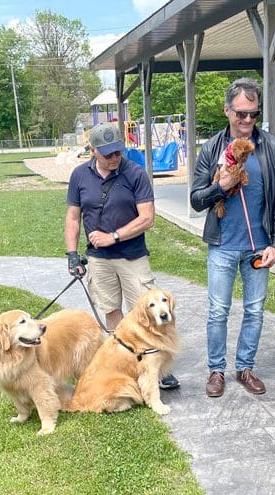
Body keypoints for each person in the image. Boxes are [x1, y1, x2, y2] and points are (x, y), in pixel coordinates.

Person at [190, 77, 275, 398]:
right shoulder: (211, 148)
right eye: (241, 114)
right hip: (223, 245)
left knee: (255, 310)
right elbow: (195, 199)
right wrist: (221, 186)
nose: (247, 120)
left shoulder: (271, 146)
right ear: (227, 111)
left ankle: (245, 367)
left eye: (253, 114)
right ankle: (216, 370)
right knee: (218, 310)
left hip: (259, 247)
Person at [65, 122, 179, 389]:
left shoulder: (136, 174)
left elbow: (147, 217)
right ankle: (125, 363)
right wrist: (72, 253)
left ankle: (159, 369)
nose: (115, 158)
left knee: (152, 313)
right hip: (98, 259)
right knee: (111, 311)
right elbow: (73, 217)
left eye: (118, 152)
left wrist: (113, 236)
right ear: (92, 151)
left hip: (132, 256)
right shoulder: (79, 176)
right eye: (108, 154)